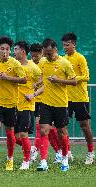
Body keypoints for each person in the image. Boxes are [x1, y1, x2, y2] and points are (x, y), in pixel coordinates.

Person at [31, 38, 76, 172]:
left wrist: (59, 80)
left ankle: (64, 158)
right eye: (45, 53)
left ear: (55, 50)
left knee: (62, 133)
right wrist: (38, 84)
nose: (47, 56)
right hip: (45, 103)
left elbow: (74, 82)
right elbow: (43, 78)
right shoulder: (43, 61)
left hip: (61, 104)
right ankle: (43, 162)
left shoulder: (65, 63)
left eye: (49, 53)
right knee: (44, 130)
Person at [0, 36, 26, 171]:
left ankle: (10, 159)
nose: (4, 51)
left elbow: (24, 80)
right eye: (2, 48)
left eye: (7, 49)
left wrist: (7, 77)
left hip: (11, 103)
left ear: (10, 51)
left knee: (10, 134)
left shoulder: (15, 63)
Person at [62, 32, 94, 164]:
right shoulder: (63, 59)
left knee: (84, 126)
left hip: (80, 98)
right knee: (61, 125)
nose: (65, 48)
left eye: (67, 45)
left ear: (74, 45)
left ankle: (91, 152)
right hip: (65, 98)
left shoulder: (80, 58)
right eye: (63, 45)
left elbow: (86, 76)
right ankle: (67, 152)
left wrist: (74, 79)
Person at [13, 41, 41, 170]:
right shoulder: (13, 64)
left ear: (23, 52)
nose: (14, 52)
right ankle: (31, 149)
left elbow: (44, 80)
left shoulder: (33, 67)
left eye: (16, 49)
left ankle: (26, 160)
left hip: (26, 106)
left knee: (24, 134)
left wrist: (33, 93)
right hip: (13, 104)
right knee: (14, 137)